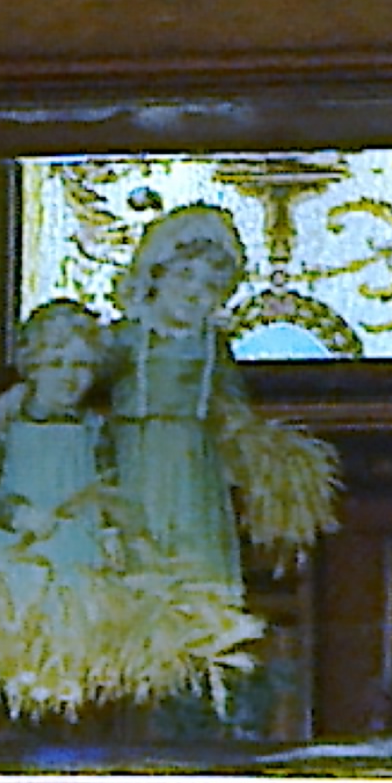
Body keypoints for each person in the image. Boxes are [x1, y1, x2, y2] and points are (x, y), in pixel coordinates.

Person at [107, 204, 254, 590]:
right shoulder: (127, 338)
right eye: (185, 275)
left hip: (193, 457)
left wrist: (242, 440)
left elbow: (233, 401)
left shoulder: (211, 346)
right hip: (136, 450)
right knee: (141, 535)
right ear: (156, 273)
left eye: (210, 286)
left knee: (193, 539)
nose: (194, 293)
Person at [0, 300, 112, 608]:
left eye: (81, 365)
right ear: (33, 366)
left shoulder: (94, 427)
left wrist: (110, 532)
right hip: (13, 543)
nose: (69, 376)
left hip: (77, 545)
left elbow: (108, 486)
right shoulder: (6, 419)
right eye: (56, 364)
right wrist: (18, 515)